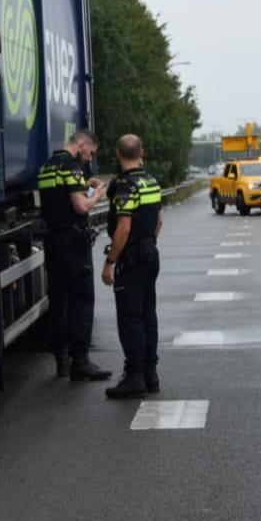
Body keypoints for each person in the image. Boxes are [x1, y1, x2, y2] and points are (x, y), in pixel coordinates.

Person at [38, 129, 111, 380]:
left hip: (53, 241)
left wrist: (83, 184)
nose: (90, 158)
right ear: (81, 145)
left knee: (58, 300)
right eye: (90, 152)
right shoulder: (72, 167)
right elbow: (80, 205)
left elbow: (59, 195)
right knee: (81, 300)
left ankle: (62, 358)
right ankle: (81, 361)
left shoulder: (47, 166)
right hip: (73, 242)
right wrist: (98, 194)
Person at [102, 134, 164, 398]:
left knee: (130, 319)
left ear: (118, 154)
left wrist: (111, 261)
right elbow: (159, 221)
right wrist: (147, 244)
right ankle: (150, 374)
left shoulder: (125, 186)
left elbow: (124, 227)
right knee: (148, 315)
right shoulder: (151, 181)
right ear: (143, 153)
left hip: (132, 260)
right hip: (150, 254)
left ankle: (134, 377)